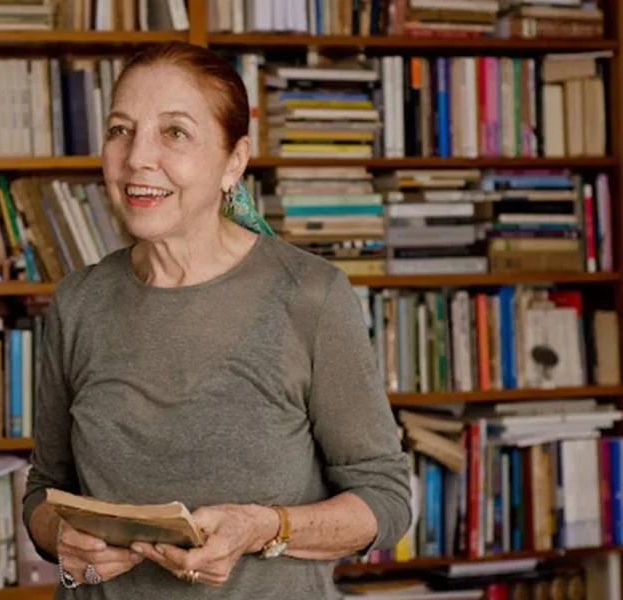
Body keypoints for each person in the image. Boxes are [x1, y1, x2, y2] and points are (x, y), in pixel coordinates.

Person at [22, 41, 412, 599]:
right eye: (120, 130)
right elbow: (45, 488)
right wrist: (59, 534)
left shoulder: (311, 296)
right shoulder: (78, 301)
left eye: (174, 133)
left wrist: (263, 528)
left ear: (235, 160)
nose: (136, 159)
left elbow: (386, 500)